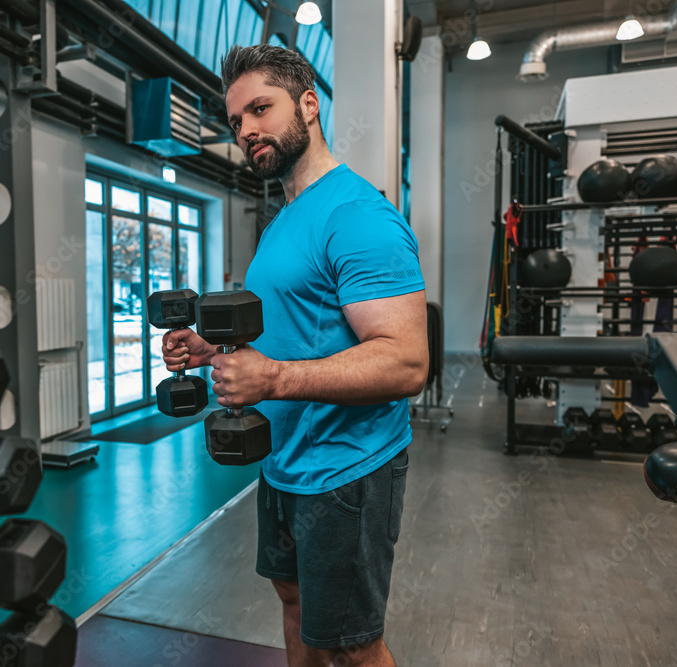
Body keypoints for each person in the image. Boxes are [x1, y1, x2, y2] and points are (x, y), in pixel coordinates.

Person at [161, 44, 428, 667]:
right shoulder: (284, 219)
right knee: (294, 603)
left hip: (346, 470)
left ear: (308, 104)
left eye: (260, 108)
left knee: (355, 646)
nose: (247, 129)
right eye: (236, 121)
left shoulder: (358, 216)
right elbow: (289, 325)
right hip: (284, 459)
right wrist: (209, 349)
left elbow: (407, 362)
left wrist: (274, 378)